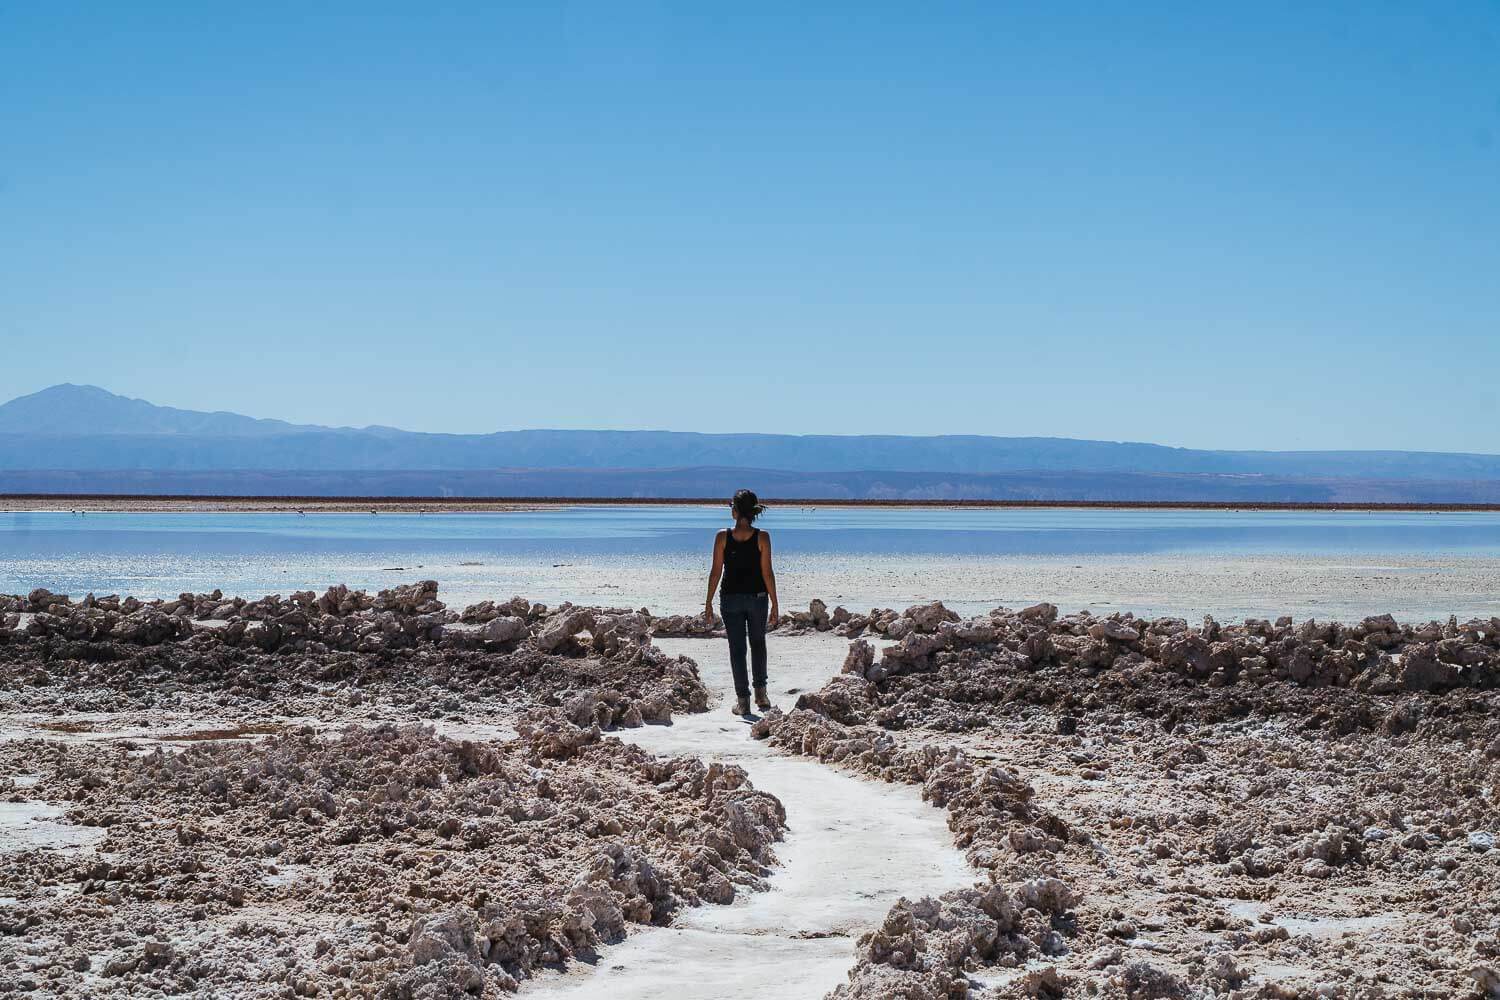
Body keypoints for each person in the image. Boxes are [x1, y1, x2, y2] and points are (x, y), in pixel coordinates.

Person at [704, 489, 780, 715]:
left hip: (730, 599)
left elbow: (715, 572)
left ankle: (743, 701)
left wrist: (708, 601)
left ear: (736, 511)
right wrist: (775, 602)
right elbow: (768, 573)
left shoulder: (722, 536)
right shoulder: (763, 537)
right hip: (757, 598)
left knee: (737, 649)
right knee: (758, 644)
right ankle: (761, 694)